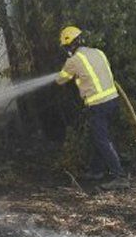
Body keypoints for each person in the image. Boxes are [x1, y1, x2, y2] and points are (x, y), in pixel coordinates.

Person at [55, 26, 128, 189]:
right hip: (113, 101)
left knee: (102, 139)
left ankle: (120, 176)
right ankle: (97, 171)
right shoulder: (98, 52)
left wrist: (55, 76)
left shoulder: (73, 60)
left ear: (69, 46)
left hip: (98, 105)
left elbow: (61, 80)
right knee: (99, 136)